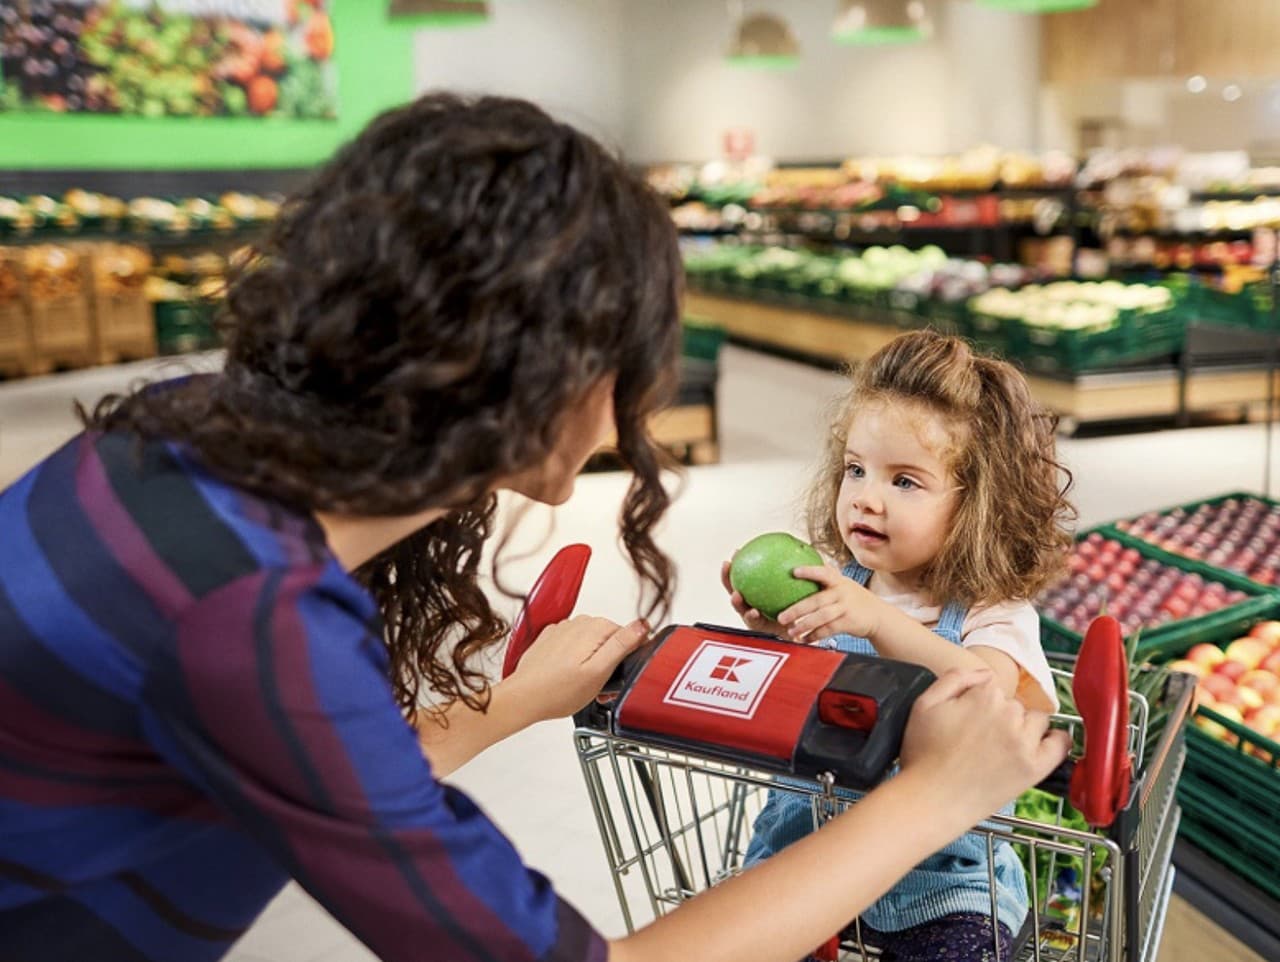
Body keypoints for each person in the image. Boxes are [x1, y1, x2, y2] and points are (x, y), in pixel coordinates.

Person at [0, 94, 1069, 962]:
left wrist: (508, 701)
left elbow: (303, 750)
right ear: (536, 376)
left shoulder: (180, 433)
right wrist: (936, 793)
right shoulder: (249, 619)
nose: (623, 417)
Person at [723, 330, 1076, 962]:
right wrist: (778, 640)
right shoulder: (837, 586)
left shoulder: (993, 614)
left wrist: (876, 621)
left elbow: (997, 700)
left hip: (943, 889)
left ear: (979, 507)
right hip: (805, 862)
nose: (865, 495)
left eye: (905, 481)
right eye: (856, 469)